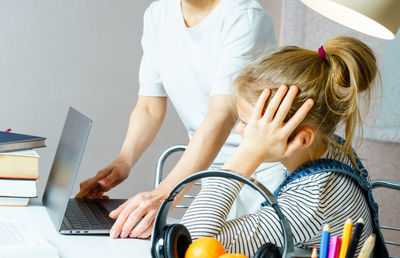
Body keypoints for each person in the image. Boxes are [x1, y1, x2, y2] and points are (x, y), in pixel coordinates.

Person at [75, 0, 284, 239]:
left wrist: (166, 193)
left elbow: (221, 116)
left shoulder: (244, 17)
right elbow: (149, 106)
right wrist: (124, 160)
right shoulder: (157, 14)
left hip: (263, 172)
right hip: (212, 173)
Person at [181, 36, 379, 257]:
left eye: (249, 124)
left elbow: (191, 244)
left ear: (301, 139)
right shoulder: (328, 146)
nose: (239, 130)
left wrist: (248, 154)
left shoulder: (311, 203)